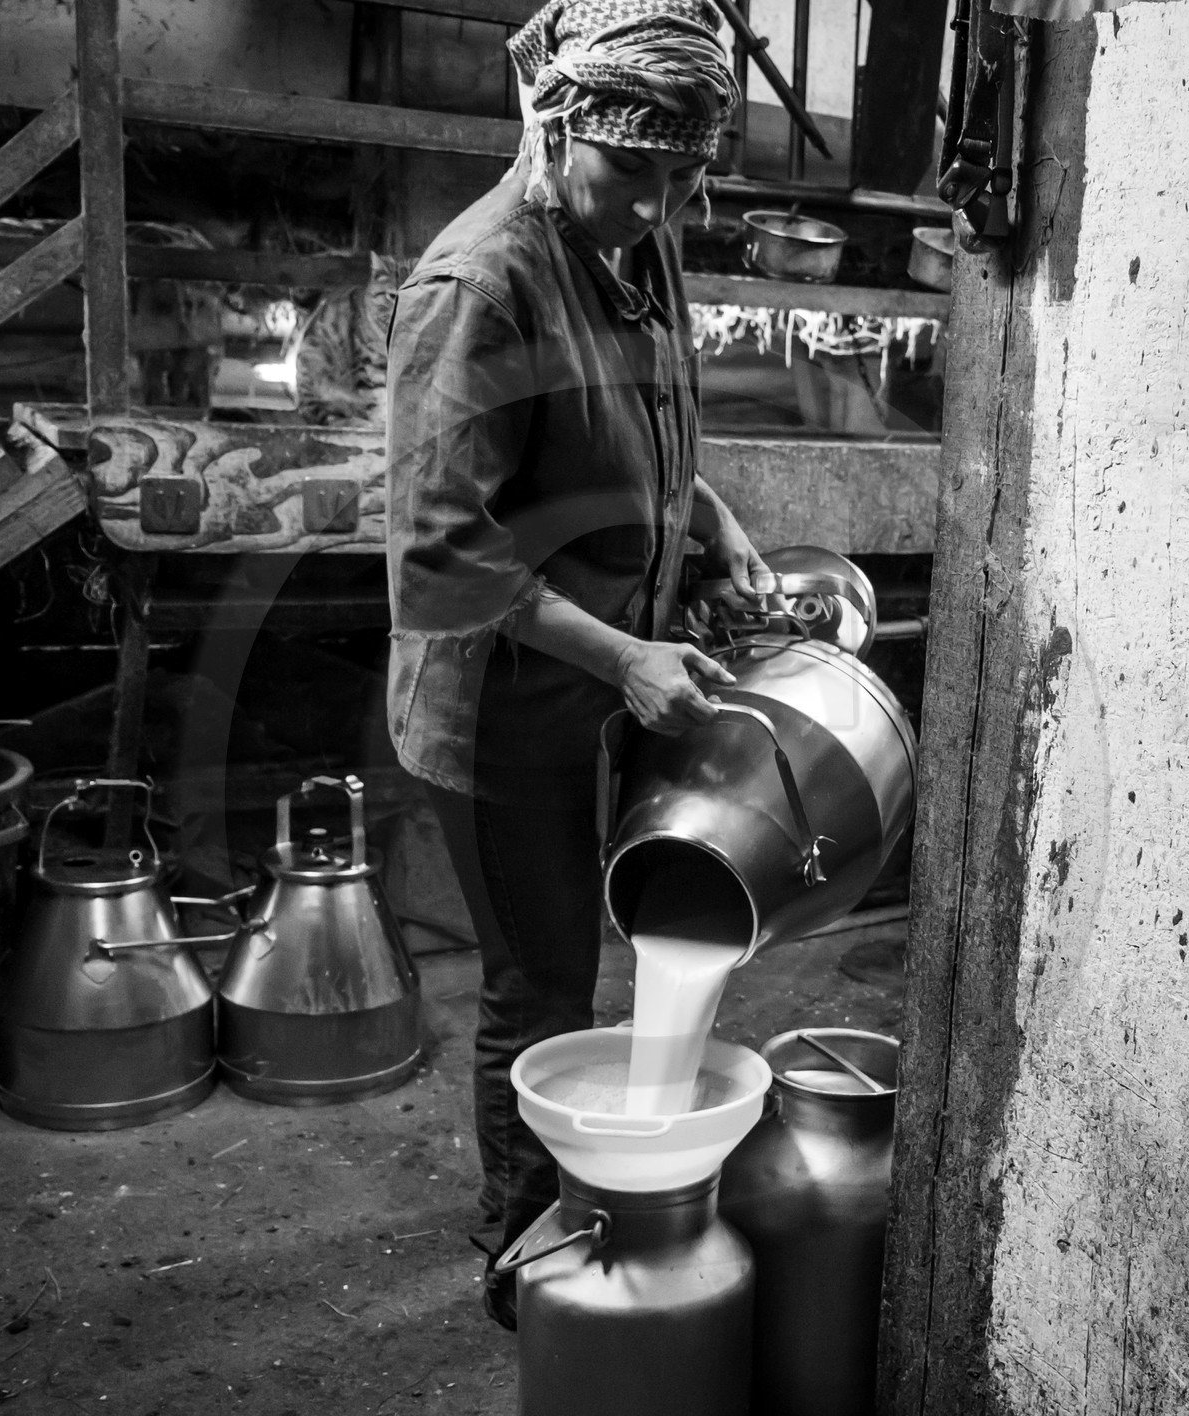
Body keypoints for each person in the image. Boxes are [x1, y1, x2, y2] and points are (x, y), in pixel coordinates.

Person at [384, 0, 773, 1329]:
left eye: (685, 177)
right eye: (634, 170)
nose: (659, 207)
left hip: (601, 686)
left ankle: (602, 1200)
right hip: (499, 708)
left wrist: (709, 518)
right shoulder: (479, 285)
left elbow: (639, 425)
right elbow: (440, 550)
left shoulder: (636, 238)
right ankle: (521, 1253)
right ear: (558, 128)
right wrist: (625, 657)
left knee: (598, 952)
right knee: (540, 984)